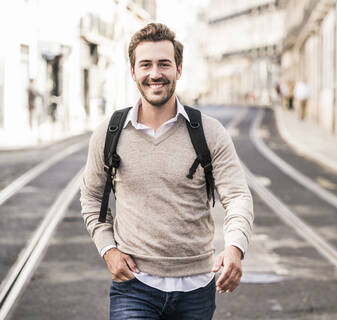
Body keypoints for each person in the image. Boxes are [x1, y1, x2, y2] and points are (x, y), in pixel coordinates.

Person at [80, 23, 254, 320]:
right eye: (145, 64)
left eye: (164, 64)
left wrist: (236, 246)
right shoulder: (109, 133)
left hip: (196, 288)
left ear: (179, 69)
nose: (155, 73)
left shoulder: (209, 132)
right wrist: (108, 249)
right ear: (133, 71)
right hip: (133, 285)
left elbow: (237, 196)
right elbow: (92, 198)